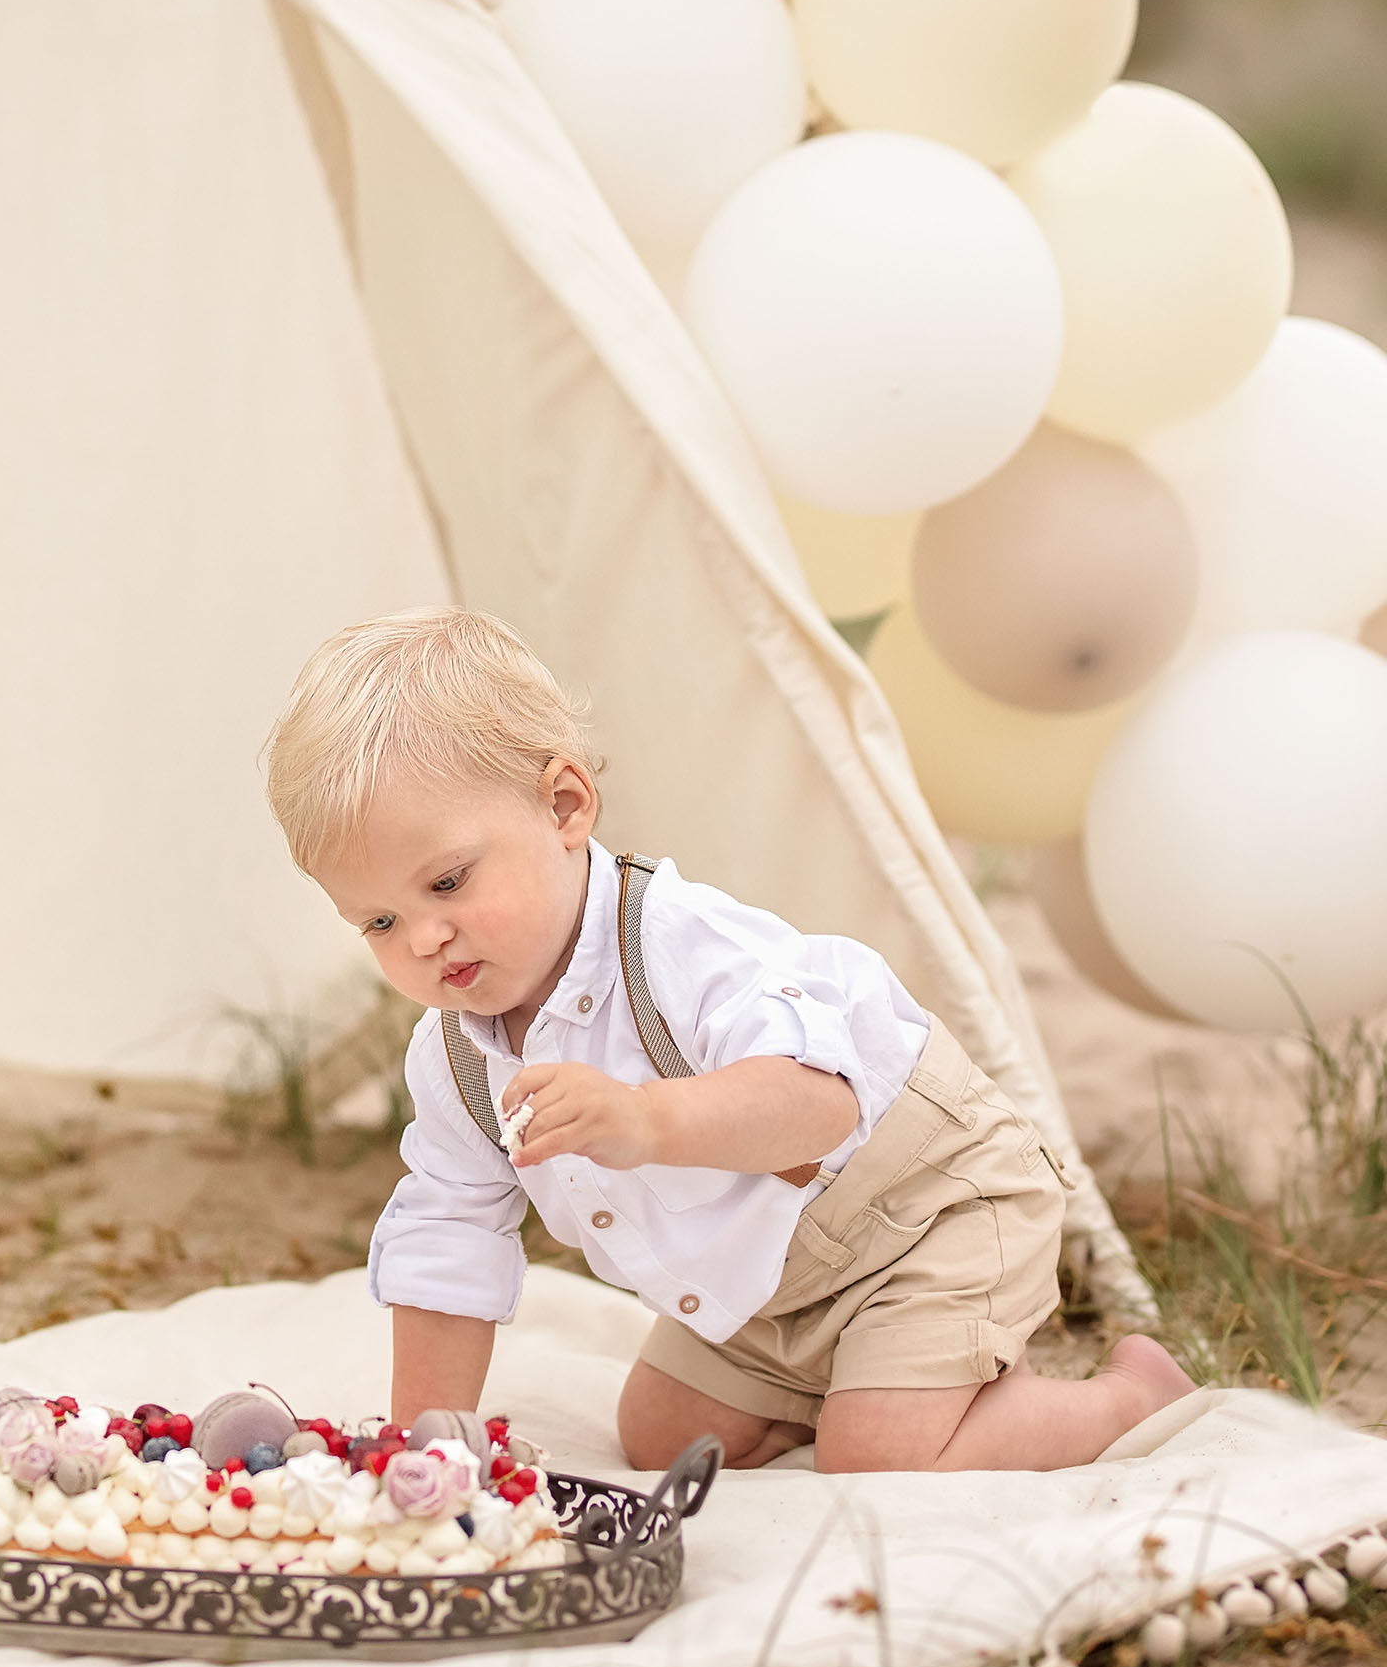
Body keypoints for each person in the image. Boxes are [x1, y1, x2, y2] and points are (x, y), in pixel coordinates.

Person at [262, 608, 1194, 1477]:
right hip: (767, 1278)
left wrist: (646, 1118)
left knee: (877, 1455)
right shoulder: (459, 1060)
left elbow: (818, 1101)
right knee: (661, 1436)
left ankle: (1122, 1397)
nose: (424, 938)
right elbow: (449, 1240)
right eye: (379, 920)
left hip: (922, 1211)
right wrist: (422, 1447)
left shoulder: (678, 944)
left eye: (449, 882)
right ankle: (860, 1373)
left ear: (564, 807)